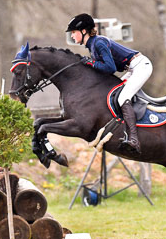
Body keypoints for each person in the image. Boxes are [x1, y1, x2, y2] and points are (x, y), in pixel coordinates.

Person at [65, 13, 153, 154]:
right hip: (132, 68)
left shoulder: (98, 42)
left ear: (83, 31)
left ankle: (134, 139)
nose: (72, 36)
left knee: (122, 97)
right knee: (114, 94)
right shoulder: (93, 45)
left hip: (140, 66)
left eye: (74, 32)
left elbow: (110, 68)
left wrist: (90, 62)